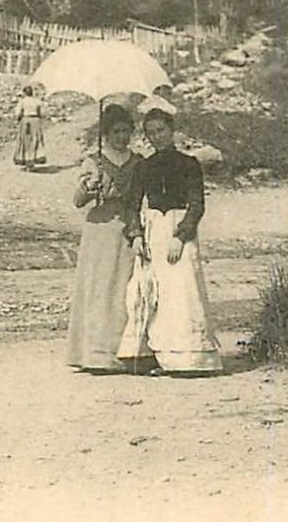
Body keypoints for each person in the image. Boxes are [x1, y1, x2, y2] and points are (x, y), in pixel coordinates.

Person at [119, 107, 223, 374]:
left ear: (172, 131)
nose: (157, 137)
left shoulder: (189, 164)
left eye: (161, 131)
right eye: (151, 133)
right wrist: (137, 235)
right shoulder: (143, 166)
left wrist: (181, 236)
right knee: (155, 290)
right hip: (154, 230)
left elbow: (197, 205)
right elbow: (131, 205)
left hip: (178, 231)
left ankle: (191, 359)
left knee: (183, 288)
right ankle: (158, 356)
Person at [65, 104, 142, 373]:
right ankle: (94, 353)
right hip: (98, 230)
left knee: (122, 288)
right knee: (98, 289)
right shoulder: (93, 161)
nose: (122, 137)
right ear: (106, 134)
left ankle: (122, 352)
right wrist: (90, 186)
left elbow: (141, 197)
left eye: (126, 131)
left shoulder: (138, 161)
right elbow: (78, 201)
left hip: (125, 228)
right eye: (116, 132)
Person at [12, 85, 47, 170]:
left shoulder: (22, 102)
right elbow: (43, 114)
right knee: (35, 140)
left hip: (25, 121)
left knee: (25, 141)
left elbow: (18, 113)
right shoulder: (38, 102)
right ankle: (33, 161)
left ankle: (26, 161)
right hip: (35, 121)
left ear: (24, 93)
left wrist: (18, 119)